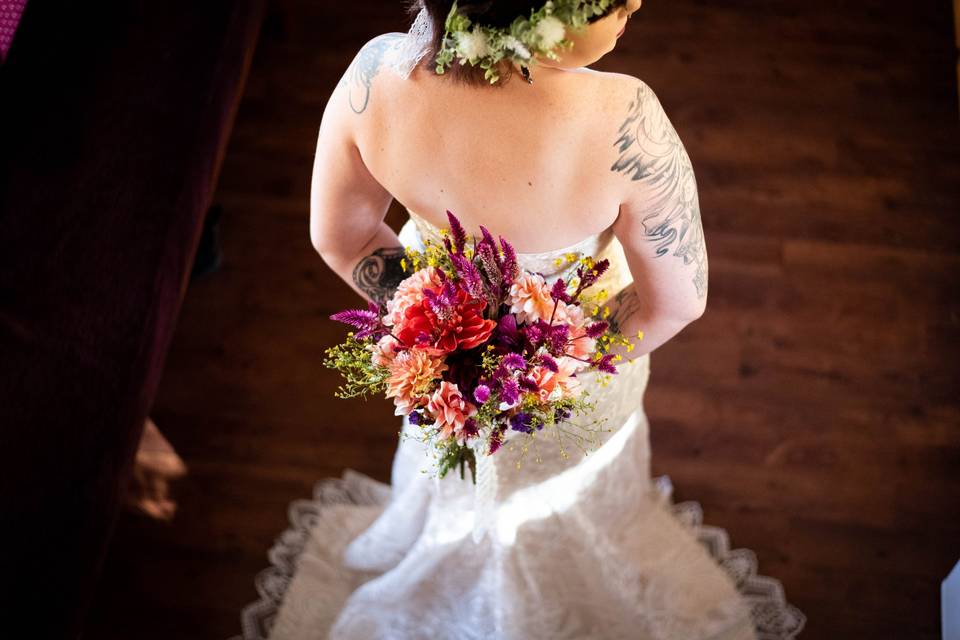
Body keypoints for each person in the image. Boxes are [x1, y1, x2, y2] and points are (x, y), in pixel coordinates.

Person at [236, 1, 807, 638]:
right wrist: (549, 361)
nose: (634, 2)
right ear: (532, 9)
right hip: (575, 390)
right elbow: (677, 300)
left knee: (452, 483)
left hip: (442, 384)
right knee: (571, 494)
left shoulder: (380, 75)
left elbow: (342, 240)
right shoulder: (624, 120)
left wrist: (441, 335)